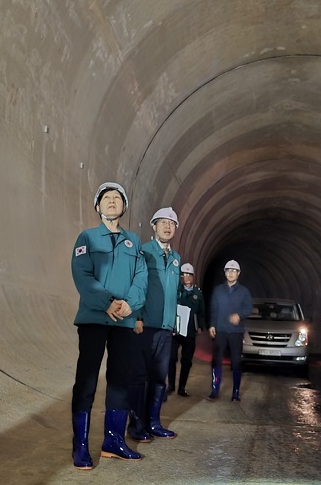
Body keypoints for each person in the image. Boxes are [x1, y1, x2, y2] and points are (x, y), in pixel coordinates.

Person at [70, 182, 148, 469]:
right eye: (107, 198)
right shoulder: (87, 238)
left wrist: (130, 304)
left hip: (125, 321)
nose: (112, 201)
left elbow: (141, 277)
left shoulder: (134, 242)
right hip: (94, 318)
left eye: (117, 198)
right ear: (98, 206)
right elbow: (82, 275)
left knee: (119, 380)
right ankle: (80, 447)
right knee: (87, 380)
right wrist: (107, 302)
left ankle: (113, 442)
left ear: (124, 207)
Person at [127, 207, 181, 442]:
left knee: (159, 377)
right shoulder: (145, 252)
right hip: (145, 323)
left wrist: (174, 321)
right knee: (139, 375)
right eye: (163, 223)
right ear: (154, 226)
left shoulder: (177, 258)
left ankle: (153, 422)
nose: (167, 227)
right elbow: (137, 284)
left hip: (165, 327)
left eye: (171, 223)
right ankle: (136, 425)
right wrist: (136, 316)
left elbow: (174, 293)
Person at [207, 259, 253, 402]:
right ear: (225, 273)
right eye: (228, 271)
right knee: (216, 360)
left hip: (235, 331)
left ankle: (236, 392)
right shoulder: (218, 290)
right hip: (220, 330)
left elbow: (248, 308)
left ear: (238, 274)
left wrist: (239, 315)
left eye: (234, 271)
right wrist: (212, 325)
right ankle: (215, 390)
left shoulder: (244, 292)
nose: (231, 273)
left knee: (236, 362)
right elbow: (214, 309)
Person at [168, 262, 207, 397]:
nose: (187, 277)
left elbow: (201, 312)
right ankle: (171, 385)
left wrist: (200, 326)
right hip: (176, 330)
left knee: (186, 360)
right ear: (181, 277)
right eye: (184, 275)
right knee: (171, 358)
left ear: (193, 276)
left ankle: (182, 387)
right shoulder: (176, 291)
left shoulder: (198, 294)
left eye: (189, 275)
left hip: (190, 331)